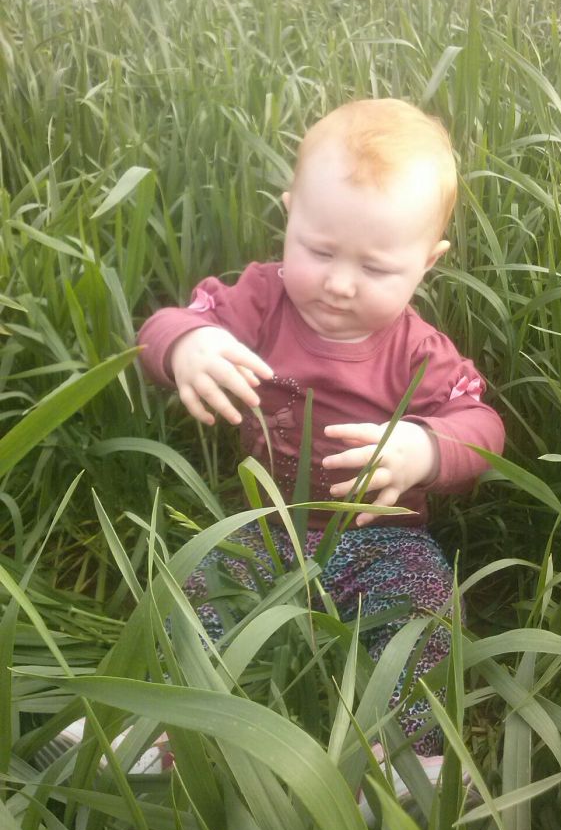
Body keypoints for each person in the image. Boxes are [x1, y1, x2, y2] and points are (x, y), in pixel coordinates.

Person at [137, 98, 505, 768]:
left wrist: (423, 449)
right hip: (265, 524)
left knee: (424, 614)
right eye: (318, 249)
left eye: (376, 268)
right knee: (194, 592)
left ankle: (409, 761)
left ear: (428, 261)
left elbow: (482, 426)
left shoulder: (419, 352)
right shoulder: (260, 297)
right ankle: (155, 731)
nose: (338, 283)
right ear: (289, 216)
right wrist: (188, 344)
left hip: (385, 535)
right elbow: (170, 321)